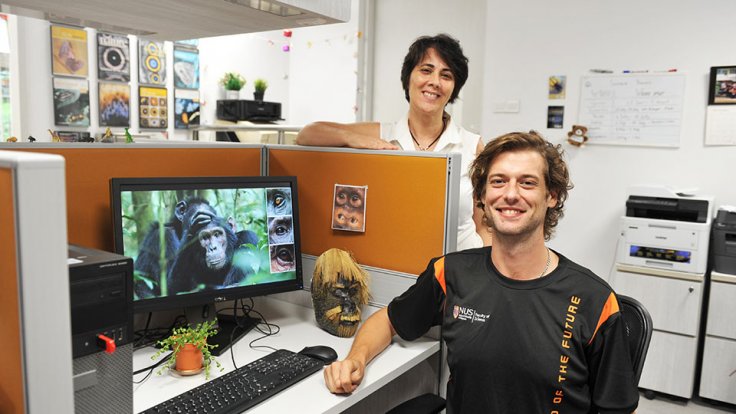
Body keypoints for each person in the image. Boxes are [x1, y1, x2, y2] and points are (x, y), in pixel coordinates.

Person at [322, 131, 639, 413]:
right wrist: (355, 359)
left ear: (551, 196)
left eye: (527, 182)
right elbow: (389, 319)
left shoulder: (595, 301)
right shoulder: (452, 272)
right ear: (482, 197)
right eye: (498, 181)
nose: (510, 194)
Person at [296, 33, 490, 250]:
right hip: (396, 267)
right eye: (426, 70)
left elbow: (484, 224)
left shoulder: (472, 145)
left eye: (446, 75)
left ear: (454, 87)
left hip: (458, 271)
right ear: (409, 78)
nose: (435, 82)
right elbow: (307, 134)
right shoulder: (380, 134)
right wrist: (355, 139)